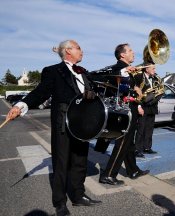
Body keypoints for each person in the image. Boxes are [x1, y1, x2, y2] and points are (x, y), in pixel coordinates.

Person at [6, 40, 101, 216]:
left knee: (80, 162)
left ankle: (78, 196)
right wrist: (20, 105)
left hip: (83, 124)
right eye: (79, 48)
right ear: (68, 51)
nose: (82, 51)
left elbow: (97, 89)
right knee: (61, 163)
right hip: (63, 123)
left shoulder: (85, 73)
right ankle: (59, 203)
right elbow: (40, 92)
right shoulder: (53, 71)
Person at [97, 43, 149, 185]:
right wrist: (126, 74)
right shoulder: (118, 68)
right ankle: (108, 174)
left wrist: (136, 95)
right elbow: (115, 80)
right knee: (122, 142)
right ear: (122, 55)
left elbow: (129, 88)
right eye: (130, 50)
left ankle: (133, 170)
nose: (133, 52)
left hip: (129, 108)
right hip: (123, 111)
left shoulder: (127, 69)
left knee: (128, 142)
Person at [135, 64, 161, 156]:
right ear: (146, 69)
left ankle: (147, 147)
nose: (155, 70)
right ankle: (138, 149)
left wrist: (154, 99)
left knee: (149, 129)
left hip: (152, 106)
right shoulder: (139, 78)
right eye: (153, 68)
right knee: (141, 129)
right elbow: (135, 93)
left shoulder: (155, 79)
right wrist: (138, 106)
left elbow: (160, 91)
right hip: (143, 106)